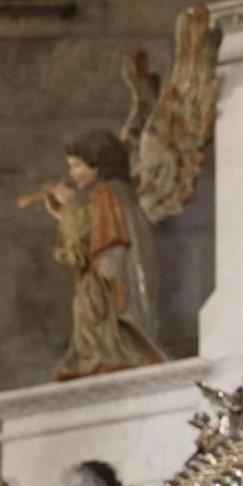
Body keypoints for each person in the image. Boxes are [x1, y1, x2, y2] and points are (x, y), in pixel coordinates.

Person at [41, 129, 164, 380]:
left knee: (94, 315)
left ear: (99, 164)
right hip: (106, 272)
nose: (73, 174)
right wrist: (66, 209)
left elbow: (88, 238)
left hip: (105, 278)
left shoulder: (107, 194)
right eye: (71, 167)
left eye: (78, 166)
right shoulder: (119, 192)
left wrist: (71, 204)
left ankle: (107, 354)